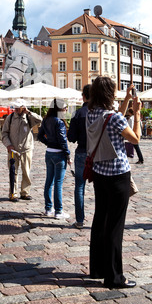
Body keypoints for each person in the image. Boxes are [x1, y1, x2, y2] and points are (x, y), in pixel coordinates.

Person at [87, 76, 141, 289]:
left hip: (99, 173)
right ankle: (115, 277)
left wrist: (127, 99)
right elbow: (135, 139)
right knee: (115, 227)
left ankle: (98, 269)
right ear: (109, 94)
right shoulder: (114, 118)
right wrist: (136, 113)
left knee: (100, 220)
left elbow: (113, 116)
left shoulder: (91, 113)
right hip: (117, 176)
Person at [2, 98, 42, 202]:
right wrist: (8, 145)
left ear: (23, 108)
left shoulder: (29, 117)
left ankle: (25, 192)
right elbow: (4, 133)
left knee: (26, 172)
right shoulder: (10, 118)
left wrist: (29, 112)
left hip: (26, 148)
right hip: (13, 149)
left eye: (18, 108)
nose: (15, 110)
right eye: (15, 108)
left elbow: (40, 120)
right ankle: (13, 193)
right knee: (13, 172)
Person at [37, 98, 72, 219]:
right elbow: (63, 141)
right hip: (59, 154)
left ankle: (48, 208)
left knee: (49, 181)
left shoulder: (46, 120)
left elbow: (39, 136)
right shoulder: (59, 122)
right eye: (65, 107)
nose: (66, 109)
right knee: (58, 183)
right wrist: (68, 154)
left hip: (49, 153)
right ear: (59, 108)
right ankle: (58, 211)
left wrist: (49, 143)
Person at [67, 84, 91, 228]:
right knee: (100, 187)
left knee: (79, 187)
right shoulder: (101, 112)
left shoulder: (78, 113)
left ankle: (80, 220)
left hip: (82, 152)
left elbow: (71, 137)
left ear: (83, 96)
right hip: (97, 153)